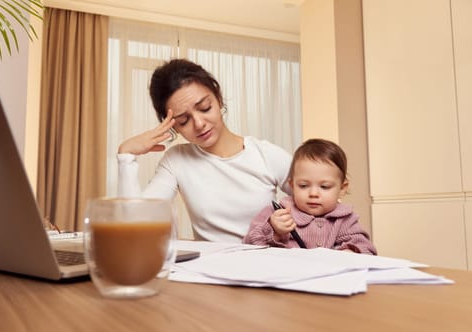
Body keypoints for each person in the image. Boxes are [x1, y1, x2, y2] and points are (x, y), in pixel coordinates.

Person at [117, 58, 292, 242]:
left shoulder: (266, 155)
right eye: (184, 121)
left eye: (204, 108)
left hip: (267, 266)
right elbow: (135, 225)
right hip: (211, 268)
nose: (199, 124)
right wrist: (126, 155)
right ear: (172, 126)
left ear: (218, 97)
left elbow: (321, 202)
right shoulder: (177, 160)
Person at [243, 138, 377, 254]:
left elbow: (366, 249)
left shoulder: (345, 219)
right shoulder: (278, 213)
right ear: (292, 185)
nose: (313, 194)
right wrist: (273, 230)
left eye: (324, 187)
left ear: (342, 188)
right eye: (303, 185)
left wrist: (350, 252)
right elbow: (249, 246)